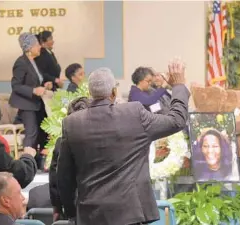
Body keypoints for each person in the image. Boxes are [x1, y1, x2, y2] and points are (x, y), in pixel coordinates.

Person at [57, 59, 190, 225]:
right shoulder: (133, 113)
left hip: (90, 215)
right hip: (130, 215)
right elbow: (177, 120)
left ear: (90, 94)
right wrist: (178, 85)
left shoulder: (72, 123)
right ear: (113, 93)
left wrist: (71, 212)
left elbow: (64, 176)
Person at [9, 32, 52, 168]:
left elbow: (33, 81)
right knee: (31, 133)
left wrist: (44, 85)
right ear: (29, 47)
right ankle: (25, 165)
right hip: (27, 104)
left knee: (43, 132)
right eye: (37, 44)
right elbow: (16, 85)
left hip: (37, 103)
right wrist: (33, 90)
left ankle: (40, 164)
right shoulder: (21, 62)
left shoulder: (33, 62)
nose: (40, 47)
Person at [49, 97, 90, 222]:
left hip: (74, 205)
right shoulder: (104, 140)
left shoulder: (61, 143)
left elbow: (56, 178)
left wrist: (57, 207)